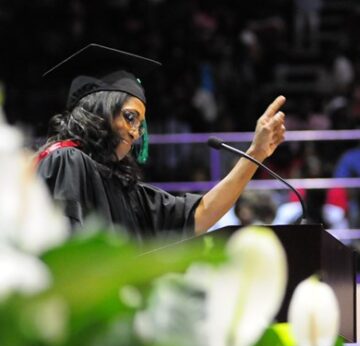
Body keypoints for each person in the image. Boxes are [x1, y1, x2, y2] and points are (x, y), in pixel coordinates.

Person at [36, 44, 286, 241]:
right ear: (99, 110)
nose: (135, 133)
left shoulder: (127, 191)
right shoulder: (66, 160)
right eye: (130, 117)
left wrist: (256, 153)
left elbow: (200, 213)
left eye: (140, 125)